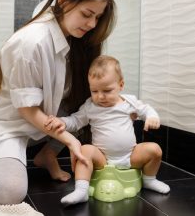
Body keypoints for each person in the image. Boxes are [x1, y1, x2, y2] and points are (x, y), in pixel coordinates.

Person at [0, 0, 116, 205]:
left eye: (98, 17)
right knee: (9, 192)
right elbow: (27, 110)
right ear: (63, 1)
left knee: (89, 107)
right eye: (87, 14)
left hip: (42, 122)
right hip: (8, 126)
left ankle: (47, 154)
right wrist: (70, 140)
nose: (92, 24)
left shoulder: (70, 35)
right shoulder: (30, 43)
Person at [45, 55, 170, 206]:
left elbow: (146, 109)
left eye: (107, 90)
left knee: (155, 150)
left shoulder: (128, 102)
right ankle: (81, 190)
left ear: (121, 85)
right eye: (94, 91)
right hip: (103, 158)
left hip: (130, 155)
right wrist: (62, 122)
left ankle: (149, 180)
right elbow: (76, 120)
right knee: (84, 150)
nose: (100, 96)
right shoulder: (90, 106)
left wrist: (151, 116)